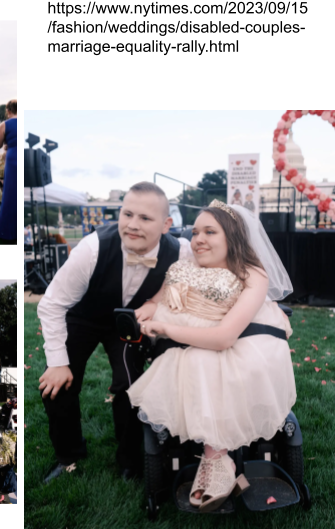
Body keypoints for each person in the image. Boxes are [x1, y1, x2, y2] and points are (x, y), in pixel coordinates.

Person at [127, 200, 295, 512]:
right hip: (191, 344)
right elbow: (157, 300)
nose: (199, 239)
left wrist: (164, 325)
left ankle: (217, 460)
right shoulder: (184, 270)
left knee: (203, 361)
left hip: (242, 345)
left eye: (210, 232)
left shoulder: (252, 274)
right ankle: (212, 457)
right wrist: (145, 312)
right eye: (195, 232)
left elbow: (224, 337)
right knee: (190, 360)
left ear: (232, 237)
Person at [36, 182, 192, 482]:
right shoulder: (92, 248)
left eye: (145, 218)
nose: (132, 225)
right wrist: (57, 361)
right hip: (83, 317)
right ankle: (68, 456)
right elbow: (51, 304)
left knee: (130, 384)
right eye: (127, 214)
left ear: (166, 224)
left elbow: (188, 282)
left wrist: (155, 301)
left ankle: (129, 461)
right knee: (57, 385)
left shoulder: (181, 251)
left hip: (128, 322)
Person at [0, 99, 17, 241]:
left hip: (13, 158)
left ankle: (6, 233)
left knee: (9, 194)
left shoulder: (4, 124)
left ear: (8, 111)